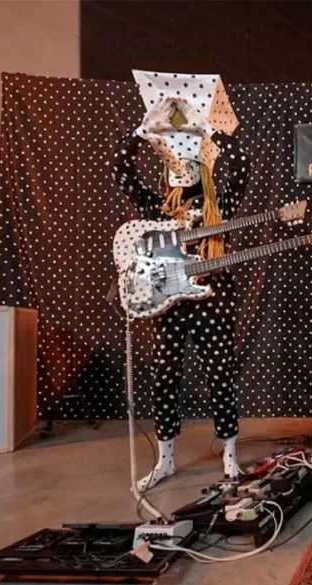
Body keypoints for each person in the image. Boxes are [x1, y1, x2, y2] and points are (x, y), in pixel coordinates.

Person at [112, 86, 247, 489]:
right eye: (174, 161)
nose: (180, 167)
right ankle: (166, 459)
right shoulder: (157, 210)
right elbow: (121, 171)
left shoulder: (219, 204)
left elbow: (241, 164)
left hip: (212, 296)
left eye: (188, 161)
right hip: (168, 301)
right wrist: (142, 132)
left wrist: (206, 129)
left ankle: (230, 455)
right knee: (164, 376)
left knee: (220, 374)